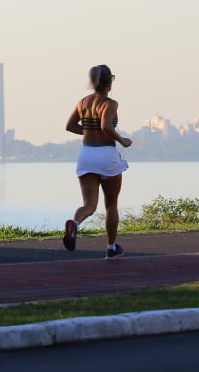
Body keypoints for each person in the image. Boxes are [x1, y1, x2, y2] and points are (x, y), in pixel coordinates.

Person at [63, 64, 132, 260]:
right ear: (109, 82)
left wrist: (88, 131)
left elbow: (70, 126)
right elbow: (105, 126)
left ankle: (74, 223)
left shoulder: (83, 102)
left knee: (89, 205)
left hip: (86, 155)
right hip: (106, 154)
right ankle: (111, 248)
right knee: (111, 204)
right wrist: (122, 140)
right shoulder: (110, 104)